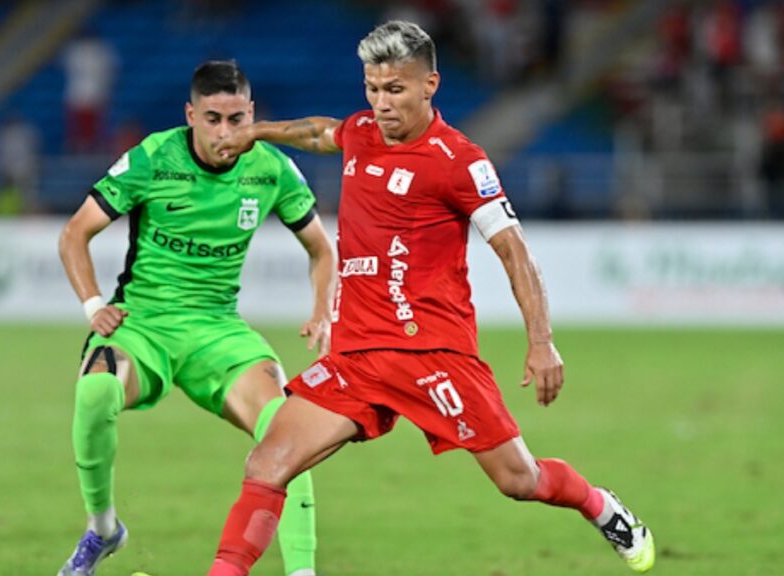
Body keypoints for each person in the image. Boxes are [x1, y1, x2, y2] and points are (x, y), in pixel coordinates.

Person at [205, 21, 655, 576]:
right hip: (359, 356)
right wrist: (259, 132)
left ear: (430, 84)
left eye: (394, 90)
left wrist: (542, 342)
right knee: (266, 463)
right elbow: (324, 133)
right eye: (371, 88)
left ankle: (599, 504)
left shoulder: (458, 160)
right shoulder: (363, 131)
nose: (380, 103)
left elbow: (514, 250)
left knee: (520, 481)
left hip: (435, 355)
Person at [56, 60, 334, 576]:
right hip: (144, 326)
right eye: (212, 119)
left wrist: (322, 311)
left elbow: (321, 249)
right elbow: (75, 233)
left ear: (251, 114)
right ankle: (103, 530)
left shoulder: (270, 168)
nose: (225, 133)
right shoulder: (153, 158)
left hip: (218, 332)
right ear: (191, 115)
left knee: (289, 429)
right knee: (94, 393)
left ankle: (303, 573)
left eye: (235, 119)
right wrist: (95, 305)